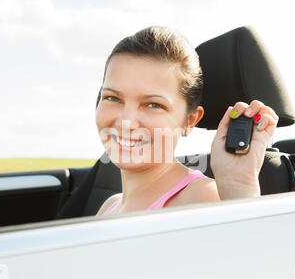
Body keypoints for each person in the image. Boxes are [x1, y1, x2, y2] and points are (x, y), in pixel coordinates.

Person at [95, 25, 278, 216]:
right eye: (112, 98)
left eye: (153, 105)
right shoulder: (109, 206)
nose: (126, 121)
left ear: (190, 120)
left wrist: (239, 189)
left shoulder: (201, 198)